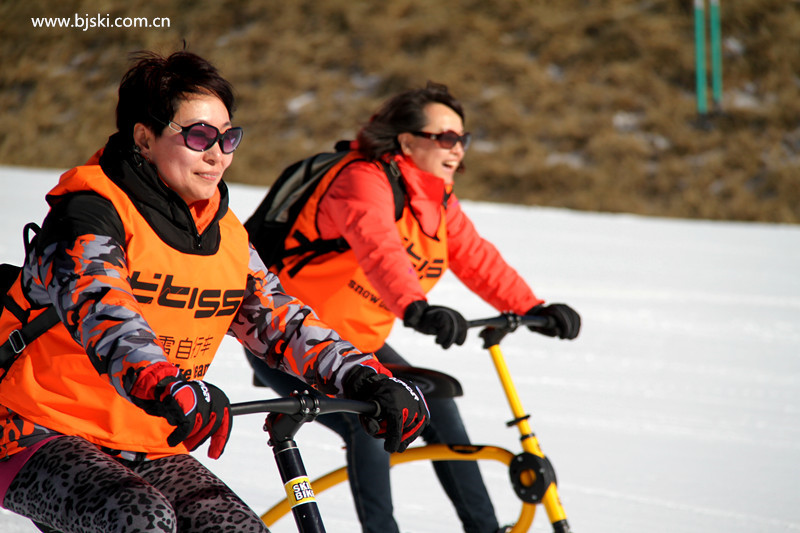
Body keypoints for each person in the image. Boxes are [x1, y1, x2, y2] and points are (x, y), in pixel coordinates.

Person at [0, 50, 429, 533]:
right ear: (144, 137)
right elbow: (105, 313)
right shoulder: (89, 217)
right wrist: (167, 384)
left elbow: (280, 322)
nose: (217, 154)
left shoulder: (224, 234)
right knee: (141, 518)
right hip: (32, 428)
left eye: (228, 137)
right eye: (199, 135)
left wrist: (365, 378)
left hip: (147, 438)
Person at [245, 81, 581, 533]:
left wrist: (533, 307)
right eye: (445, 137)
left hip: (362, 344)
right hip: (291, 342)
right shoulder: (361, 180)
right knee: (371, 423)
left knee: (438, 404)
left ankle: (484, 529)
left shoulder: (437, 200)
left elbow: (478, 259)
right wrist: (416, 308)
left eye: (462, 138)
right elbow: (379, 249)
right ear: (407, 141)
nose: (457, 148)